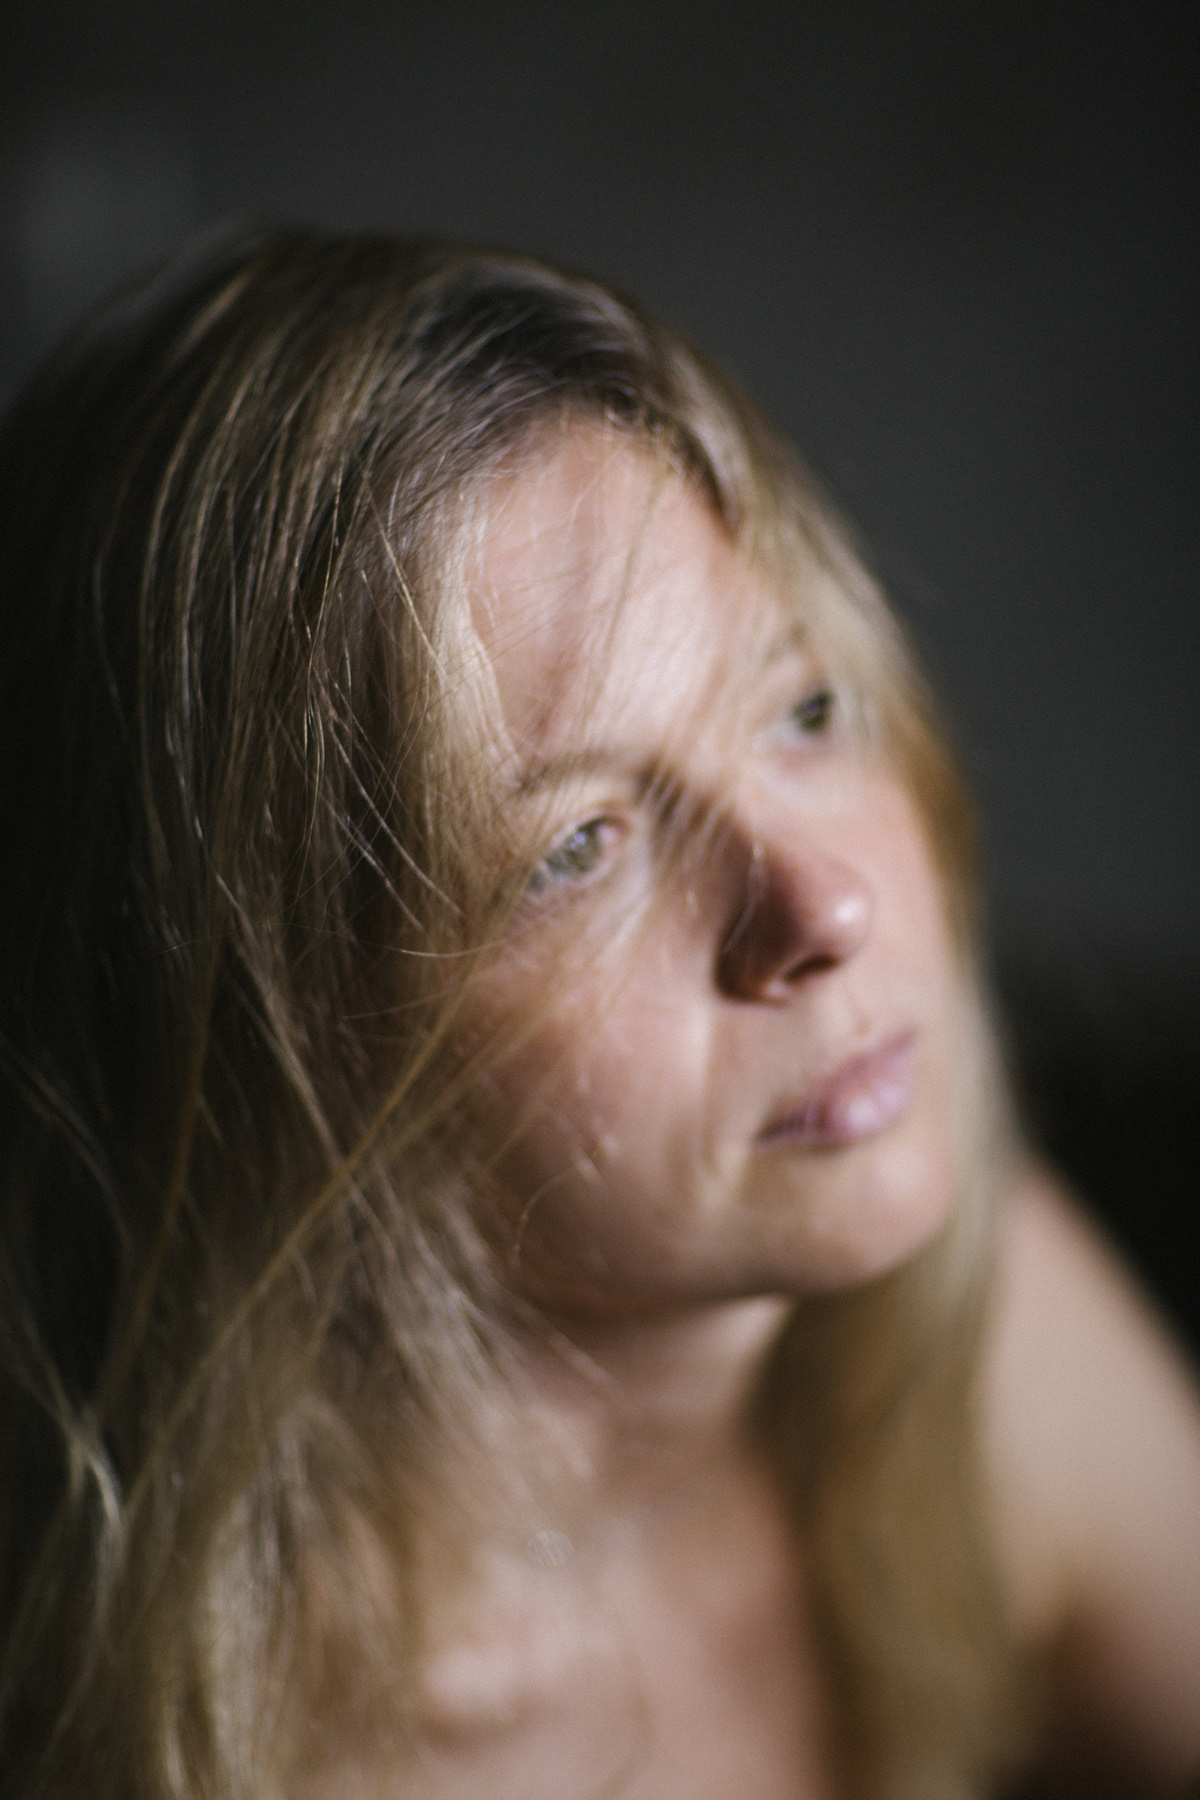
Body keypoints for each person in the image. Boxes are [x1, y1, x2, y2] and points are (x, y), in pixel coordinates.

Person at [0, 227, 1197, 1800]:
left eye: (803, 708)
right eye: (576, 849)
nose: (825, 907)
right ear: (271, 1050)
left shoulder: (979, 1328)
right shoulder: (198, 1746)